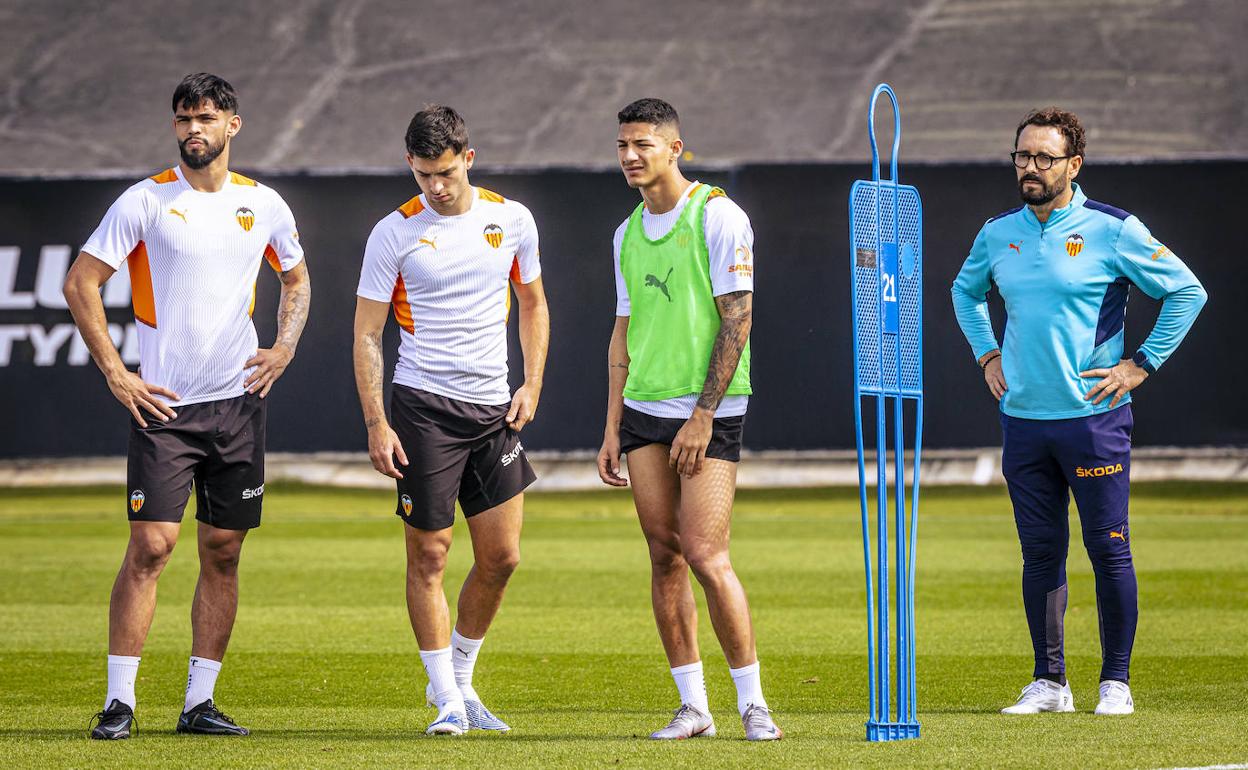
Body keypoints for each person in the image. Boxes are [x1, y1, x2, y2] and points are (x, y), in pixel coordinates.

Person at [65, 73, 311, 739]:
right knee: (151, 546)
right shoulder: (145, 201)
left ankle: (199, 704)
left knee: (223, 551)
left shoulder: (263, 205)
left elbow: (295, 277)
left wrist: (283, 348)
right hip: (165, 409)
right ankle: (120, 702)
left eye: (204, 117)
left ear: (234, 124)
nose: (192, 130)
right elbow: (81, 281)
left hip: (238, 406)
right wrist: (118, 373)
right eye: (182, 119)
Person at [951, 107, 1207, 716]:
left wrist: (1138, 366)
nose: (1031, 168)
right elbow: (965, 292)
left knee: (1109, 547)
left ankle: (1115, 682)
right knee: (1040, 553)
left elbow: (1187, 291)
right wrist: (987, 354)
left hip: (1093, 421)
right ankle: (1050, 683)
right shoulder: (997, 233)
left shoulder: (1113, 230)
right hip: (1023, 420)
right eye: (1022, 156)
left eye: (1044, 157)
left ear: (1074, 164)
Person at [353, 104, 549, 736]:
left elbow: (533, 304)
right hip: (423, 409)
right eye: (422, 174)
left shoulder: (512, 219)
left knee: (503, 556)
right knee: (430, 557)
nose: (435, 187)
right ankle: (445, 700)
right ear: (410, 165)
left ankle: (464, 685)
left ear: (469, 158)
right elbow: (366, 335)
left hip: (494, 411)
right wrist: (378, 422)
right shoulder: (393, 233)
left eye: (445, 172)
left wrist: (533, 382)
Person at [596, 98, 781, 741]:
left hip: (711, 413)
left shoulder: (718, 216)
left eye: (643, 144)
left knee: (706, 554)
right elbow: (622, 333)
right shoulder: (625, 234)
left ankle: (753, 704)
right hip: (644, 411)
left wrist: (702, 416)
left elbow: (739, 318)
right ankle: (693, 707)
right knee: (664, 554)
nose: (629, 156)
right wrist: (613, 425)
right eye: (623, 145)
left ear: (675, 148)